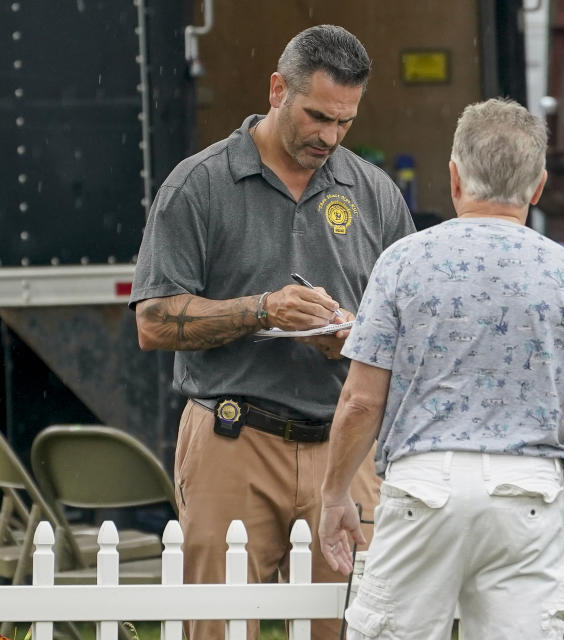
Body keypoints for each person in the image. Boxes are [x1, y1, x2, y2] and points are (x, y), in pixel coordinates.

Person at [130, 25, 415, 640]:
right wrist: (262, 311)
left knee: (353, 626)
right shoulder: (197, 185)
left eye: (345, 122)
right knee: (214, 628)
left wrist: (354, 339)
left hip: (346, 440)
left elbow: (411, 328)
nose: (330, 137)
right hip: (233, 435)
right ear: (277, 88)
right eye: (317, 116)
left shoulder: (376, 193)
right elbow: (152, 323)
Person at [317, 98, 564, 639]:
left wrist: (335, 493)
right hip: (526, 494)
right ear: (537, 188)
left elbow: (361, 401)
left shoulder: (402, 262)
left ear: (455, 179)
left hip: (423, 485)